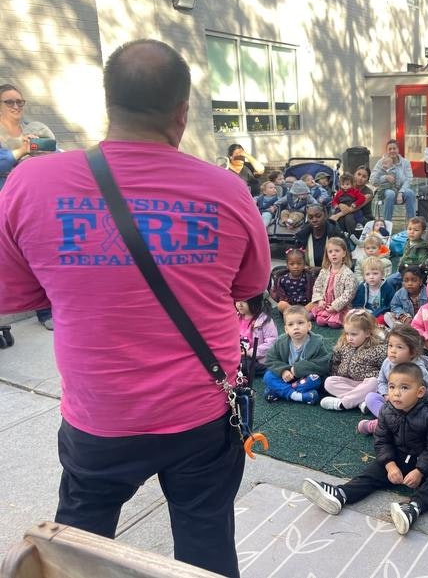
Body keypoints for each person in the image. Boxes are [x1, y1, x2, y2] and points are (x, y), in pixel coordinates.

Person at [0, 41, 270, 577]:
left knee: (76, 552)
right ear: (182, 112)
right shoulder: (227, 190)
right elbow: (249, 285)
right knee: (207, 547)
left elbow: (17, 297)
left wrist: (89, 279)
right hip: (202, 414)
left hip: (99, 418)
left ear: (108, 103)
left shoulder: (31, 182)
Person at [302, 362, 428, 535]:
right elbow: (381, 440)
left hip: (422, 459)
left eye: (404, 387)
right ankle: (341, 494)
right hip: (397, 456)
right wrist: (390, 465)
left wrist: (420, 471)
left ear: (420, 392)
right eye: (392, 386)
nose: (396, 393)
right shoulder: (387, 410)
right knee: (373, 471)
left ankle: (413, 508)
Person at [0, 83, 56, 329]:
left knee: (39, 254)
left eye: (19, 102)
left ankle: (48, 309)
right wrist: (21, 150)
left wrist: (41, 149)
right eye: (9, 102)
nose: (15, 106)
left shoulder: (33, 129)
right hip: (5, 203)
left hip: (32, 201)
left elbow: (51, 152)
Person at [358, 324, 428, 434]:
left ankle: (382, 425)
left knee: (423, 416)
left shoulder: (418, 370)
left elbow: (423, 394)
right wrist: (386, 395)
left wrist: (402, 401)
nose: (393, 350)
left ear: (412, 352)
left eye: (399, 347)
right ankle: (392, 423)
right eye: (390, 345)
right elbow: (381, 381)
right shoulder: (388, 362)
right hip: (392, 401)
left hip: (410, 406)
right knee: (370, 397)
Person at [321, 309, 387, 411]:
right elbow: (335, 362)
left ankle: (342, 404)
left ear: (367, 333)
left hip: (367, 385)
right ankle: (360, 401)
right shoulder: (343, 345)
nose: (349, 338)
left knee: (374, 382)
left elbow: (385, 369)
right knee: (329, 382)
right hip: (349, 382)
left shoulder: (378, 348)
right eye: (347, 334)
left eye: (354, 334)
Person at [263, 305, 330, 405]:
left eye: (300, 323)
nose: (296, 327)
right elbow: (270, 359)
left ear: (309, 326)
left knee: (315, 380)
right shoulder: (281, 341)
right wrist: (283, 371)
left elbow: (324, 365)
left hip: (305, 378)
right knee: (268, 376)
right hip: (286, 377)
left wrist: (297, 369)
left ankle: (279, 391)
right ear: (286, 329)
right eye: (291, 324)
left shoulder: (317, 342)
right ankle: (298, 396)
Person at [310, 237, 357, 329]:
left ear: (343, 253)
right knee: (320, 321)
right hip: (325, 305)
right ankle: (321, 314)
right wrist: (319, 300)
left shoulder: (348, 274)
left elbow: (348, 294)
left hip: (340, 307)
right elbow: (317, 287)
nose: (333, 254)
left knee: (333, 324)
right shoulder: (324, 271)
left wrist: (335, 306)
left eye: (337, 251)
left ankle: (334, 317)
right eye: (330, 252)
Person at [370, 139, 415, 222]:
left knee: (410, 193)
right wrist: (385, 177)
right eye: (390, 149)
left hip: (400, 191)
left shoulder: (405, 163)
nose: (392, 151)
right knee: (390, 193)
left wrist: (401, 192)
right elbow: (372, 180)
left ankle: (412, 224)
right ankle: (387, 224)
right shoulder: (381, 162)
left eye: (394, 148)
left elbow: (409, 179)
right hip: (385, 191)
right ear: (387, 151)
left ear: (398, 149)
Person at [236, 294, 278, 380]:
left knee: (244, 365)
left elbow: (272, 343)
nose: (239, 304)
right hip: (238, 354)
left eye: (244, 301)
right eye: (237, 300)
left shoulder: (264, 320)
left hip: (258, 358)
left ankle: (268, 370)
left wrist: (250, 352)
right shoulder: (235, 317)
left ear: (255, 301)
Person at [294, 204, 347, 268]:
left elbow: (346, 260)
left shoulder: (336, 234)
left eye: (318, 216)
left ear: (325, 215)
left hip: (333, 274)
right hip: (309, 274)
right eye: (310, 217)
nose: (314, 220)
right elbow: (296, 260)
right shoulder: (302, 235)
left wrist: (320, 270)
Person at [386, 216, 428, 290]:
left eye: (416, 230)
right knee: (390, 281)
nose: (412, 232)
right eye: (409, 229)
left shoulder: (421, 248)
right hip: (403, 270)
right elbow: (404, 256)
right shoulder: (408, 242)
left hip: (414, 273)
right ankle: (393, 298)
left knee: (404, 285)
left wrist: (408, 267)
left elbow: (423, 264)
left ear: (423, 232)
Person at [330, 167, 374, 234]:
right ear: (354, 175)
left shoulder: (369, 193)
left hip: (363, 218)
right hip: (347, 214)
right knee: (343, 218)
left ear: (367, 180)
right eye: (358, 174)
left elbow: (353, 208)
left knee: (348, 217)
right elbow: (338, 199)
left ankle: (353, 240)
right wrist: (340, 204)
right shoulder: (346, 186)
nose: (360, 178)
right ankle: (343, 237)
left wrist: (337, 215)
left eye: (364, 176)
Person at [352, 257, 395, 323]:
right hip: (365, 312)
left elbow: (390, 305)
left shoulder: (387, 287)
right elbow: (357, 304)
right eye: (367, 274)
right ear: (364, 276)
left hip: (381, 313)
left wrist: (375, 314)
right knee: (353, 318)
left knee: (383, 319)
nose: (371, 277)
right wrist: (360, 312)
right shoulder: (362, 287)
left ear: (382, 274)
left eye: (375, 273)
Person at [385, 264, 428, 329]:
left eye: (414, 280)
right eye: (406, 280)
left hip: (424, 321)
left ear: (420, 281)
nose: (409, 283)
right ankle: (404, 329)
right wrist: (403, 316)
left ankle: (412, 330)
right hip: (408, 321)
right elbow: (394, 306)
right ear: (402, 282)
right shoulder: (399, 293)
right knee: (388, 315)